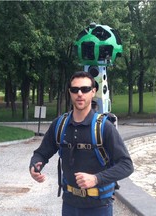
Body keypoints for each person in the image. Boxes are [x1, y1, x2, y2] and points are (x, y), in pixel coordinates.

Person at [29, 71, 134, 216]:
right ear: (70, 92)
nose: (79, 93)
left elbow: (126, 165)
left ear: (93, 92)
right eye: (75, 89)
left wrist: (96, 179)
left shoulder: (104, 127)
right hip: (70, 205)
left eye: (85, 89)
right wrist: (35, 165)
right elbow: (41, 153)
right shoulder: (60, 124)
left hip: (99, 206)